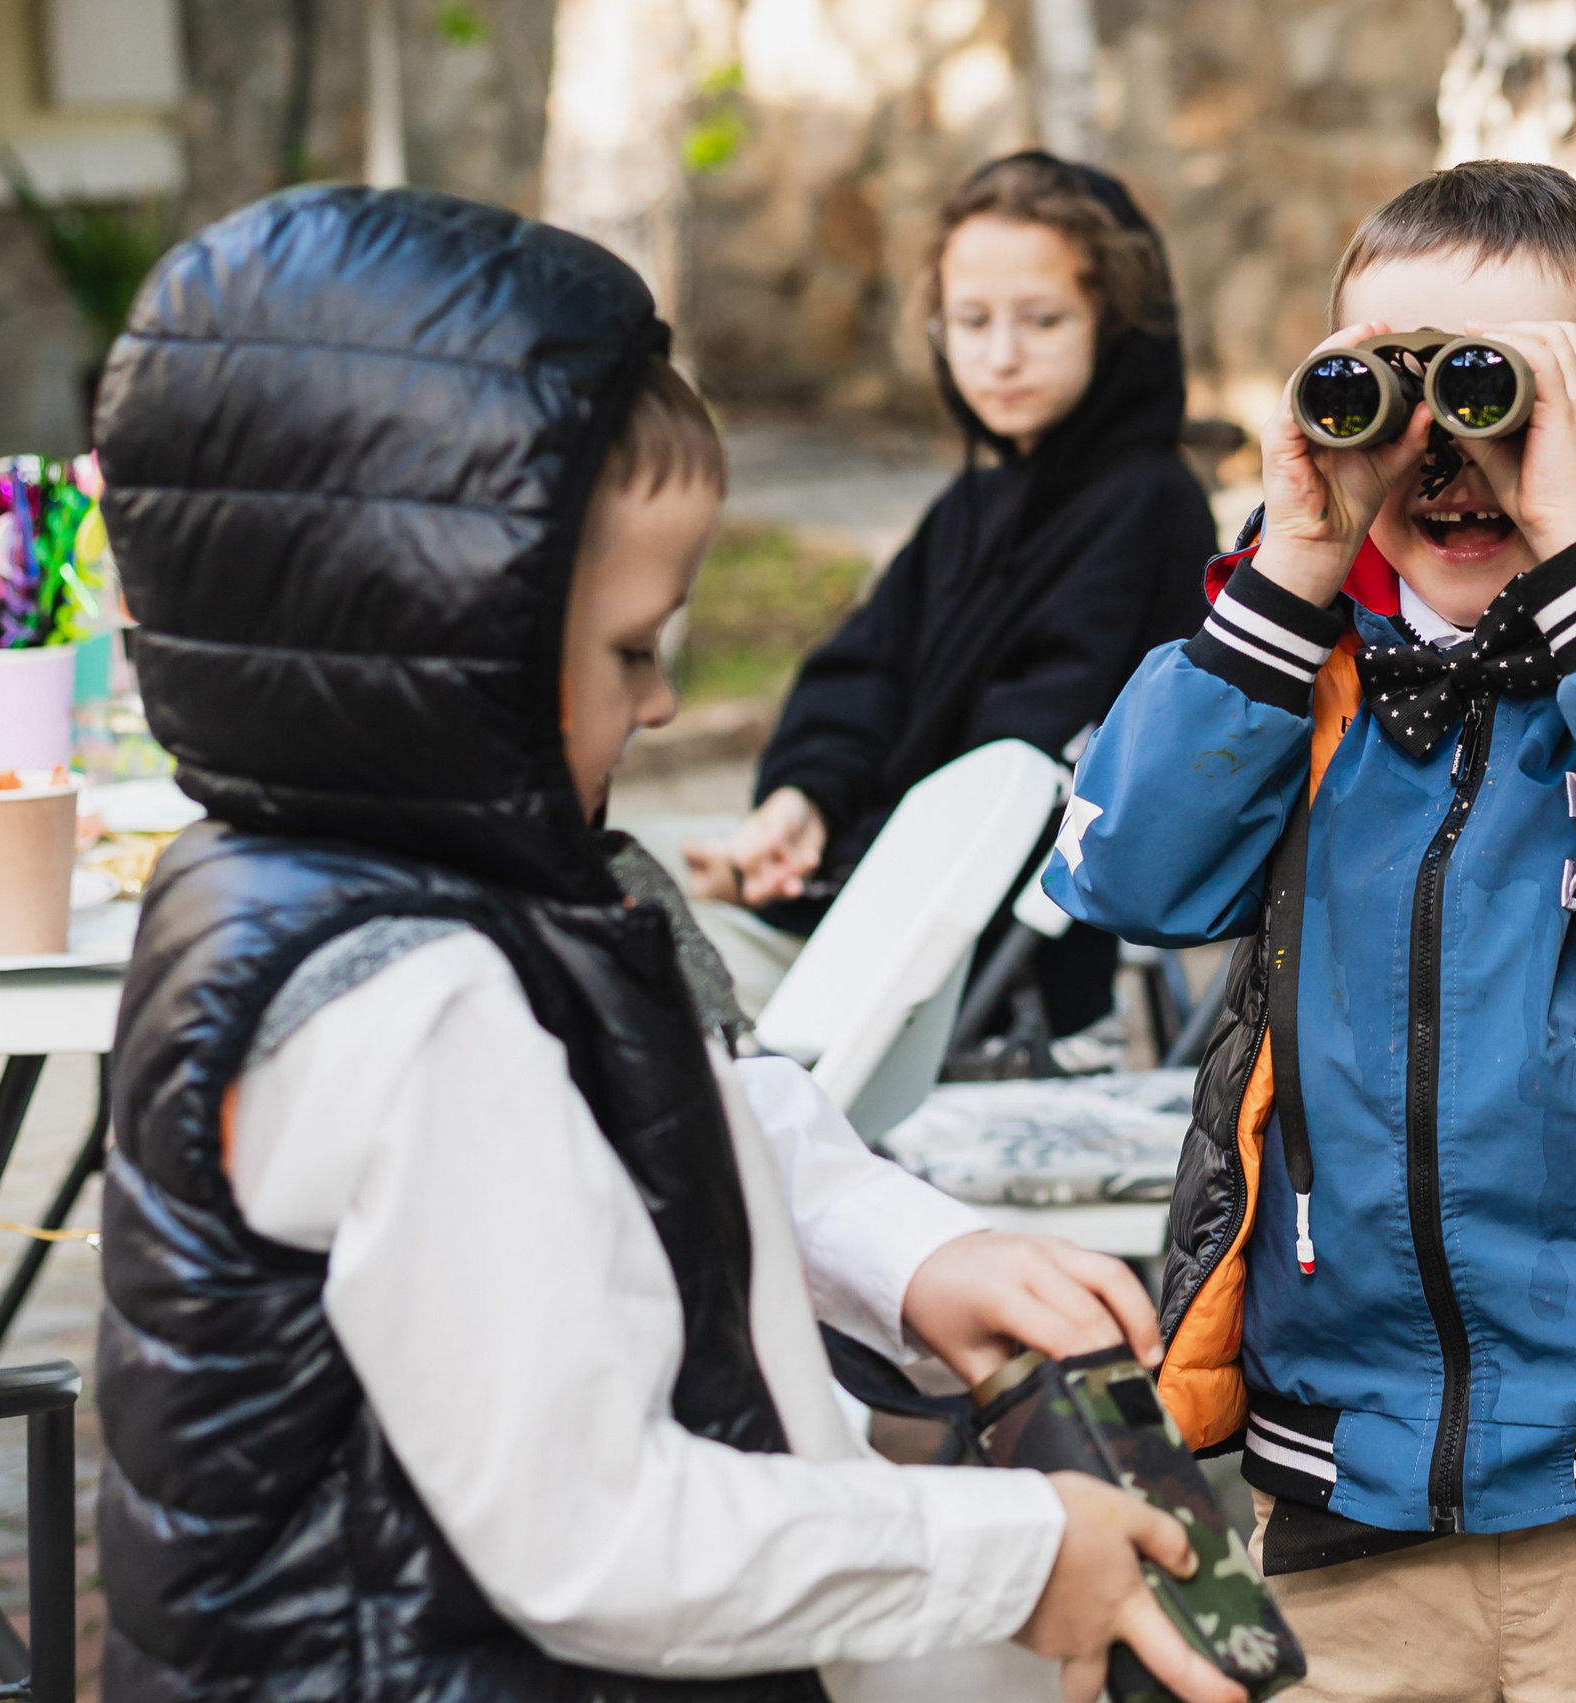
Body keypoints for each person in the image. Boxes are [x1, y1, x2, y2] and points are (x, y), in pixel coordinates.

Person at [92, 185, 1244, 1703]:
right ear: (435, 638)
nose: (660, 703)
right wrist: (1015, 1553)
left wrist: (911, 1255)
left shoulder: (458, 873)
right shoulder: (410, 995)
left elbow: (688, 1105)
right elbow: (598, 1531)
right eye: (633, 647)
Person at [1044, 161, 1576, 1700]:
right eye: (1391, 385)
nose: (1448, 446)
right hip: (1344, 1484)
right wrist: (1292, 566)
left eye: (1502, 391)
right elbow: (1120, 874)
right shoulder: (1295, 684)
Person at [683, 152, 1214, 1035]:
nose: (1001, 355)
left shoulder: (1146, 509)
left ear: (1114, 324)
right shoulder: (974, 504)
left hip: (978, 971)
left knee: (633, 962)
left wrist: (804, 880)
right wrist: (801, 806)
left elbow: (1012, 781)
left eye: (1042, 320)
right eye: (971, 320)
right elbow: (865, 672)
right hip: (873, 901)